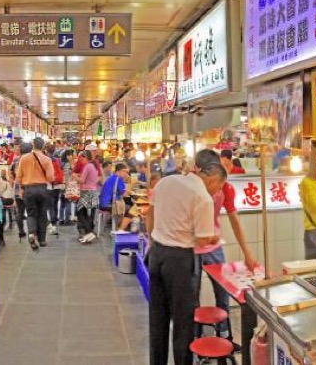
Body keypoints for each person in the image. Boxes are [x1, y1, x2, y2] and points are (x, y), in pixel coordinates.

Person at [146, 152, 222, 365]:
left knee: (157, 318)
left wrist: (153, 240)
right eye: (219, 186)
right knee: (183, 322)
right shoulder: (203, 197)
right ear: (212, 178)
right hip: (179, 261)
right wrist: (213, 237)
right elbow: (202, 240)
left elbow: (150, 214)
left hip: (156, 254)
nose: (218, 192)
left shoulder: (165, 182)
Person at [194, 150, 258, 341]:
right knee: (192, 294)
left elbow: (234, 221)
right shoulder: (190, 189)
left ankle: (224, 335)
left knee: (222, 292)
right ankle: (195, 337)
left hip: (214, 247)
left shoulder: (225, 188)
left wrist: (247, 254)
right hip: (191, 247)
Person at [16, 138, 54, 250]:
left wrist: (21, 189)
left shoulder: (23, 158)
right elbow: (50, 177)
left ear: (33, 145)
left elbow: (19, 176)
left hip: (28, 188)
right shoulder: (47, 159)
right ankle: (42, 240)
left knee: (31, 213)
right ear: (43, 147)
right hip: (42, 188)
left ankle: (32, 233)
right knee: (42, 214)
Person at [99, 163, 132, 232]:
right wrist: (131, 184)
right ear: (118, 171)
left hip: (102, 203)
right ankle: (119, 227)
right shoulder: (118, 179)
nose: (126, 173)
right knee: (130, 209)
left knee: (126, 204)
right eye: (124, 171)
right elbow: (124, 194)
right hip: (109, 204)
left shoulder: (111, 177)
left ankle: (112, 222)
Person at [76, 150, 100, 244]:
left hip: (87, 191)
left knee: (79, 212)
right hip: (93, 191)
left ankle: (90, 232)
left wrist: (75, 176)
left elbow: (82, 180)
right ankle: (88, 233)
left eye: (81, 158)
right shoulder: (93, 166)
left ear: (85, 157)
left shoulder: (88, 166)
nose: (80, 160)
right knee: (84, 212)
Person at [58, 149, 75, 225]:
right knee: (68, 202)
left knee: (62, 203)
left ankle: (61, 219)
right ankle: (67, 220)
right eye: (71, 155)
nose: (72, 156)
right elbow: (68, 175)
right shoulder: (67, 164)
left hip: (62, 185)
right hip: (67, 185)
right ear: (68, 156)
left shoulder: (61, 163)